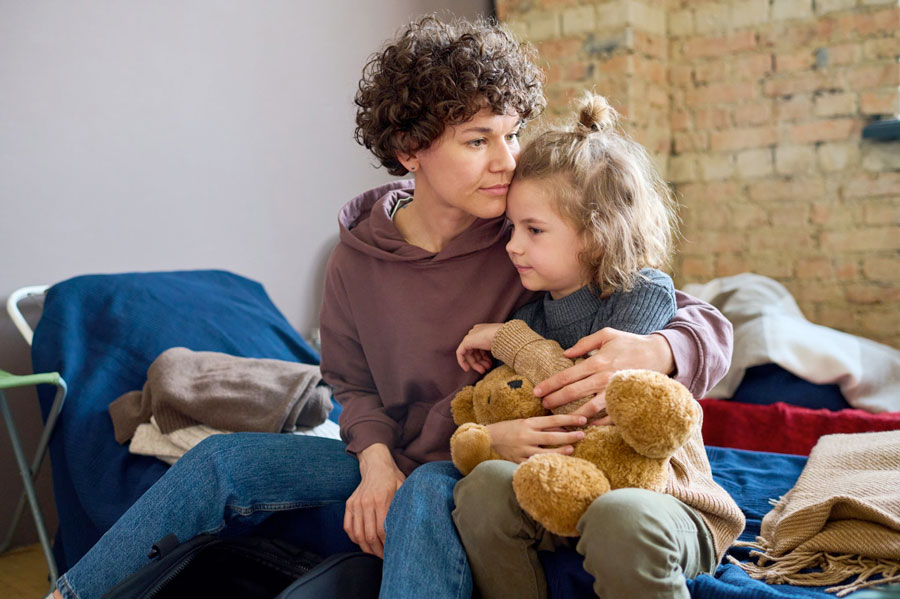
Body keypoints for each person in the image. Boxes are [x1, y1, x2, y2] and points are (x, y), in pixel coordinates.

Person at [48, 16, 733, 599]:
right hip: (389, 449)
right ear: (411, 151)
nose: (508, 160)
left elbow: (683, 307)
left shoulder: (523, 236)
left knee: (427, 497)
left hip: (462, 458)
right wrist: (373, 458)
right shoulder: (355, 259)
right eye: (478, 140)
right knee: (222, 461)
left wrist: (659, 349)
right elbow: (350, 382)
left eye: (513, 133)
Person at [450, 94, 745, 599]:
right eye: (512, 228)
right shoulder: (531, 315)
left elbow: (587, 401)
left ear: (596, 235)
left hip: (663, 500)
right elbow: (521, 402)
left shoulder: (641, 293)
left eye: (534, 230)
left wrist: (510, 341)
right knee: (481, 488)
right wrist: (496, 434)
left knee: (619, 513)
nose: (512, 245)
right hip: (562, 491)